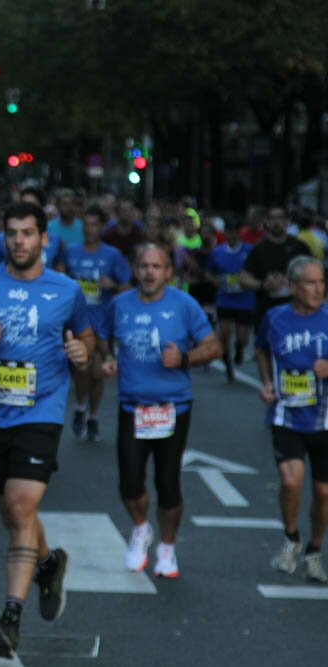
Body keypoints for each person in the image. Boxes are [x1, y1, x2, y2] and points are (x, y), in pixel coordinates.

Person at [0, 201, 93, 658]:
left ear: (44, 238)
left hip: (41, 410)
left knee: (22, 504)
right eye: (12, 233)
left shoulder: (66, 290)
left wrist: (83, 355)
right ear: (3, 237)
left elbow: (85, 336)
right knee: (13, 513)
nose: (19, 241)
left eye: (28, 233)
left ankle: (10, 618)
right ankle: (48, 565)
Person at [98, 243, 221, 579]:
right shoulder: (120, 305)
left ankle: (166, 547)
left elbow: (213, 346)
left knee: (168, 484)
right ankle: (141, 528)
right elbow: (102, 336)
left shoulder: (183, 305)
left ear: (169, 272)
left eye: (157, 266)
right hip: (132, 407)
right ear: (135, 270)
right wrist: (107, 358)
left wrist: (183, 359)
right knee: (129, 483)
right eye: (143, 266)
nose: (149, 272)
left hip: (172, 408)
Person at [254, 256, 328, 583]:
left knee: (323, 493)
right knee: (290, 482)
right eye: (311, 283)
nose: (318, 289)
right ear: (293, 286)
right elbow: (260, 350)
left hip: (324, 420)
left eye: (321, 282)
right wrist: (267, 383)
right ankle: (292, 537)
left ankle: (314, 550)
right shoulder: (274, 318)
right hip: (286, 414)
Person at [63, 206, 131, 442]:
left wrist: (111, 284)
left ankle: (92, 415)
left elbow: (127, 286)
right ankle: (80, 407)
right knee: (83, 369)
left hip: (103, 320)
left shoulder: (112, 255)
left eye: (95, 225)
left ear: (102, 228)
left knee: (97, 373)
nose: (90, 229)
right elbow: (61, 280)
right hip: (79, 321)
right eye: (87, 224)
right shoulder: (71, 252)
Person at [241, 206, 310, 333]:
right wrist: (263, 285)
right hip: (266, 310)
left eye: (280, 218)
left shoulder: (299, 247)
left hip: (295, 310)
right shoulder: (258, 249)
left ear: (287, 221)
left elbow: (315, 273)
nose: (276, 222)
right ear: (266, 222)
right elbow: (244, 277)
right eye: (272, 218)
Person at [206, 218, 255, 383]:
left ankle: (240, 350)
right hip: (225, 298)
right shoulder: (217, 252)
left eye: (235, 231)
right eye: (229, 231)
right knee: (224, 333)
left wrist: (247, 280)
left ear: (239, 233)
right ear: (225, 233)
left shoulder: (249, 251)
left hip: (245, 298)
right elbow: (208, 272)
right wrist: (215, 281)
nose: (232, 235)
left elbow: (257, 271)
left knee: (242, 338)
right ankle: (228, 368)